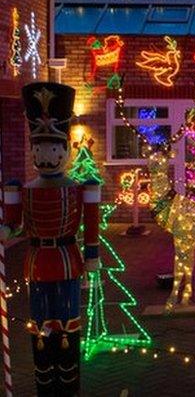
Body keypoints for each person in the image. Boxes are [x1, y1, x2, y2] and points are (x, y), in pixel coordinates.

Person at [1, 82, 100, 395]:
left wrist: (92, 255)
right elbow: (12, 224)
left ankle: (68, 382)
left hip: (68, 261)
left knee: (69, 322)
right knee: (40, 326)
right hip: (36, 264)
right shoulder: (22, 189)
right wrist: (4, 232)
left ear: (65, 151)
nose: (46, 156)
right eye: (40, 149)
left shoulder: (78, 188)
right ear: (32, 151)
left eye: (53, 148)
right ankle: (46, 382)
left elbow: (92, 224)